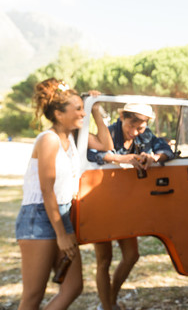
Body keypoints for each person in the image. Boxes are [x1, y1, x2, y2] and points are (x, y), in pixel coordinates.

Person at [15, 78, 112, 310]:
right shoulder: (48, 140)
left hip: (61, 215)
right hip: (39, 217)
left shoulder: (72, 137)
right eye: (78, 109)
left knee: (73, 287)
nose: (83, 113)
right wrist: (61, 234)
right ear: (59, 114)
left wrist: (96, 109)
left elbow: (106, 145)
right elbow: (47, 190)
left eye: (83, 107)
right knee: (33, 295)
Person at [88, 103, 174, 310]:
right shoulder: (107, 133)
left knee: (132, 256)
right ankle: (107, 306)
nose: (135, 132)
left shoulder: (146, 136)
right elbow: (91, 153)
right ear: (122, 118)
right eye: (131, 125)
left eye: (141, 128)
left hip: (126, 204)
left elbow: (166, 150)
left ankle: (111, 298)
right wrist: (120, 158)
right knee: (104, 260)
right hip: (100, 201)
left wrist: (154, 157)